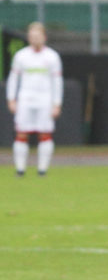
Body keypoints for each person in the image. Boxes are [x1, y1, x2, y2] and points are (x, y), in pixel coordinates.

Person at [5, 22, 62, 177]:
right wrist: (11, 99)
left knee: (45, 134)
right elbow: (13, 79)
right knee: (21, 133)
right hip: (25, 99)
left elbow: (57, 81)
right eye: (31, 36)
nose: (34, 39)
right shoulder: (21, 56)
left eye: (37, 36)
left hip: (45, 100)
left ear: (44, 37)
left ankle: (42, 170)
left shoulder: (52, 56)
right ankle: (20, 169)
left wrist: (57, 103)